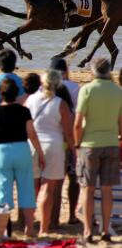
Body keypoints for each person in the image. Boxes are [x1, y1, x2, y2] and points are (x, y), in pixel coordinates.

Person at [0, 78, 45, 237]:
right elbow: (32, 134)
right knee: (26, 190)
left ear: (0, 94)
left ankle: (6, 230)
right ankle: (29, 228)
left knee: (4, 191)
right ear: (16, 93)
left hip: (1, 152)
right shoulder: (23, 111)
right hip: (21, 149)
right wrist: (41, 153)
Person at [73, 58, 122, 244]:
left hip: (90, 144)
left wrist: (77, 145)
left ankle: (87, 230)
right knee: (107, 189)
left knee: (88, 189)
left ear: (93, 71)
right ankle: (105, 230)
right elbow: (121, 123)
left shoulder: (87, 89)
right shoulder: (118, 91)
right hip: (111, 143)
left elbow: (78, 123)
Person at [24, 70, 75, 235]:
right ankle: (44, 229)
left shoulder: (30, 99)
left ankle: (29, 226)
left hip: (32, 145)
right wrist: (74, 151)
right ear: (58, 84)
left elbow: (25, 124)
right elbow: (68, 132)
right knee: (48, 189)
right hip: (53, 145)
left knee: (32, 189)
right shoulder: (60, 103)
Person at [49, 57, 80, 225]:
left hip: (52, 139)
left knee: (53, 182)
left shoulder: (44, 89)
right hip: (71, 139)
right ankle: (72, 215)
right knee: (73, 178)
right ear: (66, 71)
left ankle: (52, 218)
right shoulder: (75, 87)